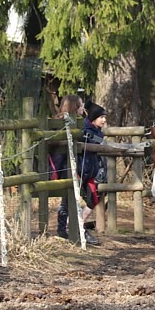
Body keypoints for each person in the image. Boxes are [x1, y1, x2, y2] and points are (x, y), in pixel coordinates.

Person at [49, 94, 85, 240]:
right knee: (67, 199)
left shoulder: (72, 122)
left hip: (67, 166)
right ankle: (64, 228)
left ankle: (66, 228)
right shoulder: (66, 122)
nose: (83, 108)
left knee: (68, 200)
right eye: (81, 105)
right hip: (64, 168)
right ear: (75, 107)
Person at [77, 101, 109, 246]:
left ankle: (79, 224)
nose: (104, 120)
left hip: (91, 172)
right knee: (73, 202)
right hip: (80, 170)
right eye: (101, 117)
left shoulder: (98, 132)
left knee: (93, 199)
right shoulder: (84, 130)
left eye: (105, 117)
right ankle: (74, 227)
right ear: (94, 118)